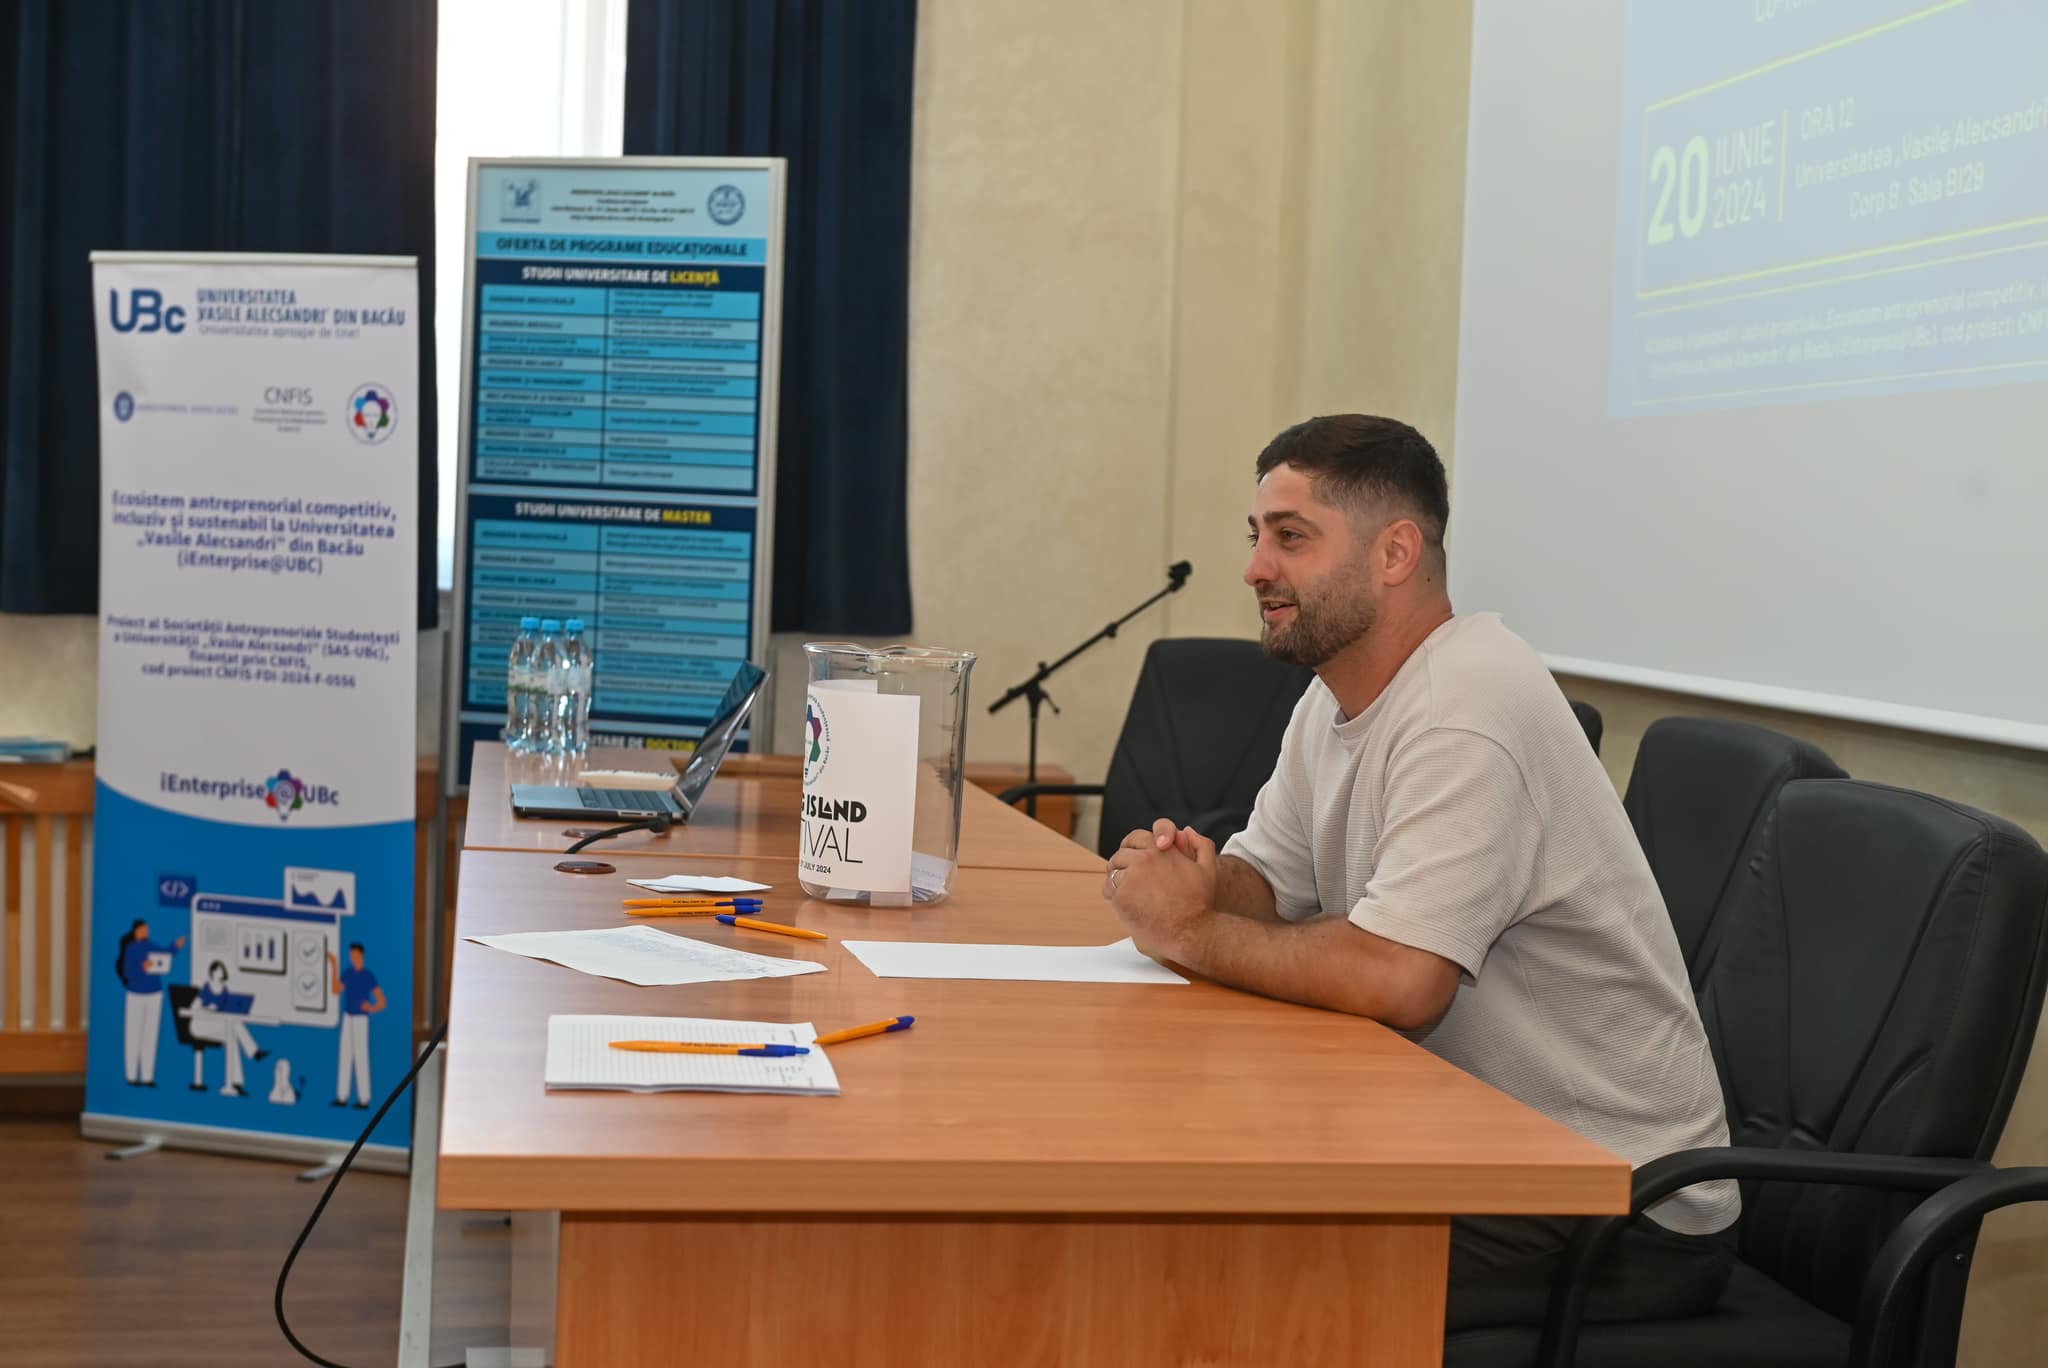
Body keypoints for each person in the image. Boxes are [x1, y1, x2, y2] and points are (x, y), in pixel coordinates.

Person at [1101, 415, 1737, 1332]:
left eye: (1291, 537)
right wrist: (1200, 884)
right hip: (1469, 1138)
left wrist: (1190, 929)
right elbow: (1270, 883)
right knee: (1185, 1211)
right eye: (1257, 536)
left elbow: (1403, 982)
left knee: (1234, 1279)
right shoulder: (1338, 694)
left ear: (1395, 552)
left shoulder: (1467, 707)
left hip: (1617, 1205)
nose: (1255, 569)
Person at [114, 918, 185, 1087]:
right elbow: (127, 972)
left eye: (148, 929)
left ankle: (147, 1076)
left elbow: (164, 955)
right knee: (133, 1034)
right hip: (136, 994)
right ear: (137, 931)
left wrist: (175, 946)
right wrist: (142, 968)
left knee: (150, 1035)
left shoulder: (151, 945)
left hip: (154, 994)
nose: (147, 931)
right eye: (144, 929)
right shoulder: (131, 949)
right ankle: (131, 1075)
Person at [196, 959, 269, 1096]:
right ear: (212, 972)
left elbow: (227, 1007)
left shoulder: (224, 989)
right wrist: (207, 1009)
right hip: (200, 1025)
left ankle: (236, 1083)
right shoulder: (206, 987)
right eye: (219, 970)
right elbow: (193, 1007)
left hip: (218, 1025)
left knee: (232, 1037)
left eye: (222, 970)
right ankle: (254, 1052)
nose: (221, 972)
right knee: (235, 1025)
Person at [329, 942, 385, 1108]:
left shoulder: (368, 975)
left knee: (361, 1055)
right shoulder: (348, 973)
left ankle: (364, 1098)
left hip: (361, 1018)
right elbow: (336, 990)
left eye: (355, 955)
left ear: (361, 955)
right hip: (348, 1016)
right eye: (351, 955)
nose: (353, 958)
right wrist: (334, 965)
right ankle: (342, 1096)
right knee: (345, 1054)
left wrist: (371, 1007)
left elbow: (382, 1001)